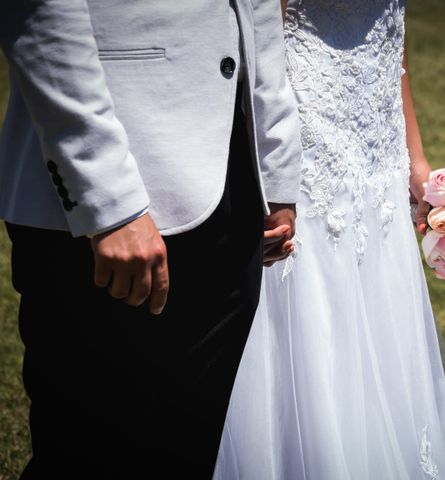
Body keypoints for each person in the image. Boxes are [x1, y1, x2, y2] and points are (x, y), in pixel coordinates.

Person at [0, 0, 301, 478]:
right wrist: (109, 201)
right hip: (120, 187)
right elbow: (41, 15)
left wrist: (275, 164)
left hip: (232, 179)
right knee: (87, 451)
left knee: (187, 445)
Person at [214, 0, 445, 478]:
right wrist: (263, 164)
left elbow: (394, 39)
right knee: (310, 312)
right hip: (305, 133)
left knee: (377, 312)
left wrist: (415, 156)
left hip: (377, 140)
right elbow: (257, 35)